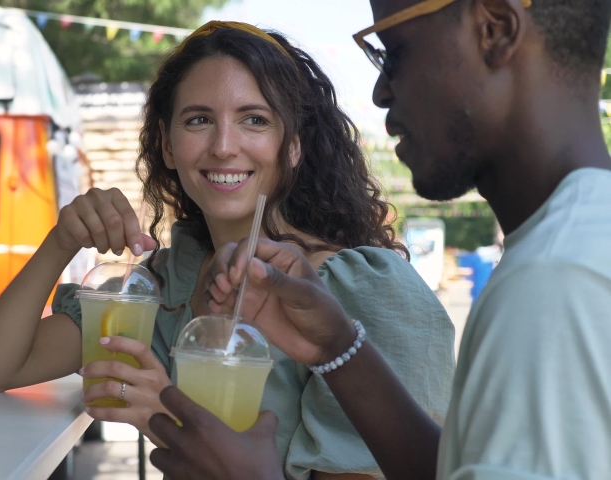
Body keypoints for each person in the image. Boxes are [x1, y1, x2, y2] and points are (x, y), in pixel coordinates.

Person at [0, 20, 456, 479]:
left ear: (294, 146)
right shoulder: (166, 286)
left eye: (254, 120)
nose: (223, 145)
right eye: (199, 120)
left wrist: (171, 417)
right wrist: (61, 239)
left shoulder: (359, 290)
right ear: (169, 145)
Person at [148, 1, 611, 479]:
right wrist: (339, 348)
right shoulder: (570, 249)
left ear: (494, 29)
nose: (379, 92)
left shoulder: (561, 280)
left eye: (394, 53)